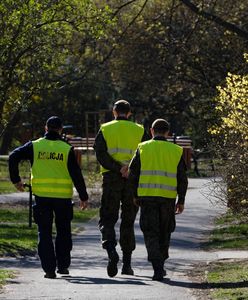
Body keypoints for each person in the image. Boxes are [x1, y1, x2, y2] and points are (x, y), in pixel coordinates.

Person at [9, 116, 89, 279]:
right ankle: (63, 266)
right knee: (64, 232)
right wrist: (83, 196)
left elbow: (13, 157)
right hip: (62, 198)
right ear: (60, 130)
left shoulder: (35, 146)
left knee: (44, 232)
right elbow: (76, 174)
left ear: (46, 128)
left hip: (42, 197)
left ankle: (49, 270)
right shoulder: (66, 149)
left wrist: (16, 180)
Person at [128, 118, 188, 281]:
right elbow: (182, 178)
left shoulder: (142, 148)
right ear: (167, 132)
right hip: (167, 199)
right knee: (165, 232)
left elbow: (133, 174)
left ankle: (157, 267)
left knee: (150, 232)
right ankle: (160, 265)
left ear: (151, 131)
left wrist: (134, 195)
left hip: (147, 198)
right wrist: (181, 200)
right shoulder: (176, 150)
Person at [94, 99, 147, 277]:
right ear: (129, 113)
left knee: (108, 218)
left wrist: (118, 168)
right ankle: (127, 265)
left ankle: (111, 252)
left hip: (111, 178)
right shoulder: (139, 130)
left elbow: (100, 154)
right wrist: (129, 169)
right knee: (128, 220)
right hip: (132, 180)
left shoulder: (105, 128)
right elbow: (145, 154)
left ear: (114, 112)